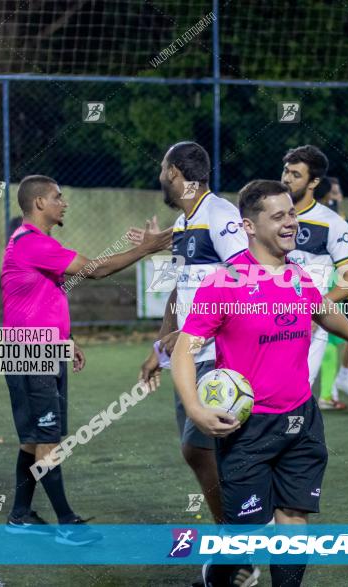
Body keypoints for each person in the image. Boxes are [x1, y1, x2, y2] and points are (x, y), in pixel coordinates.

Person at [170, 180, 348, 587]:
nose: (291, 223)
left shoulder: (297, 276)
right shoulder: (223, 284)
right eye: (278, 216)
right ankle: (217, 574)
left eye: (292, 213)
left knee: (294, 518)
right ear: (249, 226)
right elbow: (184, 351)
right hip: (247, 430)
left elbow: (323, 310)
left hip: (301, 420)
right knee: (246, 536)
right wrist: (194, 408)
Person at [1, 175, 170, 545]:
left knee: (35, 439)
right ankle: (67, 524)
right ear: (39, 204)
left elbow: (47, 297)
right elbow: (96, 269)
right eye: (58, 197)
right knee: (48, 439)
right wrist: (147, 249)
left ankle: (19, 514)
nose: (64, 203)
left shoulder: (40, 244)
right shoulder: (31, 243)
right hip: (32, 353)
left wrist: (68, 339)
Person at [137, 141, 248, 525]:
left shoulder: (220, 215)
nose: (160, 177)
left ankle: (239, 545)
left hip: (218, 356)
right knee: (201, 452)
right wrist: (162, 345)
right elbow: (178, 289)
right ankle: (237, 541)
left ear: (173, 173)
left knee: (199, 449)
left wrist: (193, 332)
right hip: (189, 355)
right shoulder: (185, 222)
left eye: (162, 169)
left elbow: (246, 281)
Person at [280, 146, 348, 411]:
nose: (286, 179)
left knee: (292, 400)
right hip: (264, 318)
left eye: (295, 174)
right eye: (286, 171)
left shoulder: (332, 223)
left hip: (307, 327)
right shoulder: (266, 213)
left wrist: (317, 307)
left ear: (314, 182)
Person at [313, 176, 348, 404]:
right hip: (326, 285)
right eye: (332, 193)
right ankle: (327, 393)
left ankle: (344, 378)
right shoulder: (313, 219)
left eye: (338, 193)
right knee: (323, 339)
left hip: (347, 289)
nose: (335, 197)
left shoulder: (347, 223)